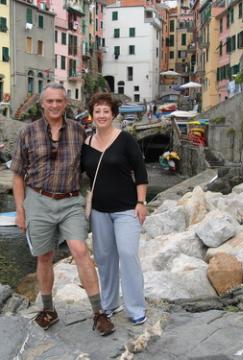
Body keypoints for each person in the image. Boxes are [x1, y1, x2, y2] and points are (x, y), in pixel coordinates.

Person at [11, 83, 115, 336]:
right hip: (38, 200)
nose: (55, 105)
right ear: (42, 104)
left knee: (80, 251)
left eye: (59, 101)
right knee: (44, 256)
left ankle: (99, 313)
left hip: (70, 201)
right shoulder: (28, 132)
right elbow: (17, 174)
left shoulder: (80, 131)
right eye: (50, 101)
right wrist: (20, 211)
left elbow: (98, 159)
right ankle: (48, 310)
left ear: (66, 103)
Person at [81, 93, 148, 325]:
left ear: (113, 115)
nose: (101, 115)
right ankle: (109, 304)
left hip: (126, 209)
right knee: (105, 258)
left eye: (106, 111)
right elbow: (75, 173)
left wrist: (141, 203)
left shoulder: (125, 140)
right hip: (99, 211)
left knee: (128, 255)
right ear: (92, 115)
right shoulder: (86, 145)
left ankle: (136, 307)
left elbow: (141, 172)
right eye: (97, 111)